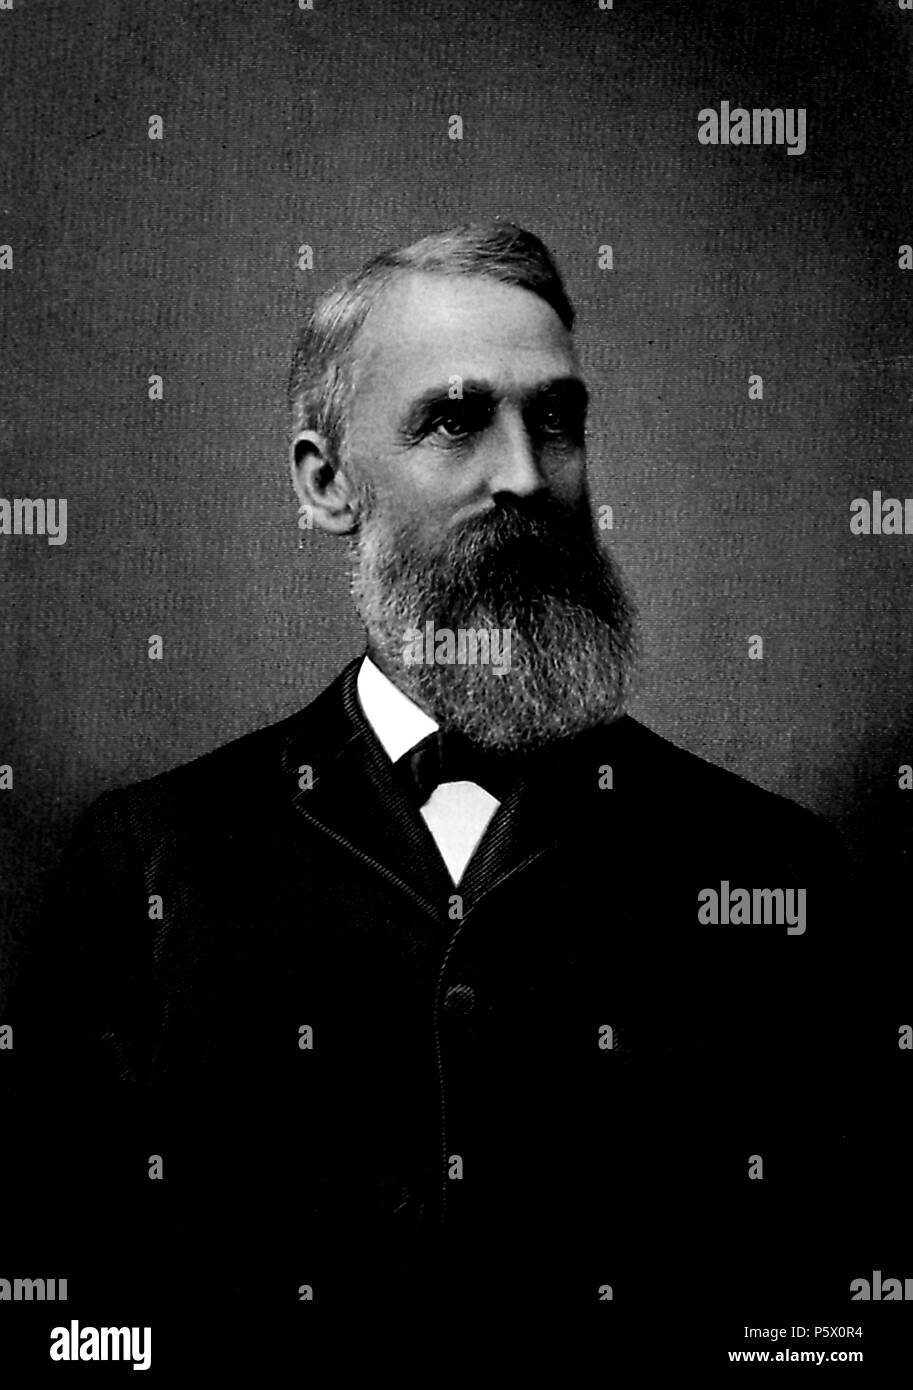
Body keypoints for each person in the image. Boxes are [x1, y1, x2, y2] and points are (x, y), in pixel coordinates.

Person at [8, 223, 857, 1330]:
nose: (523, 476)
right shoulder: (143, 862)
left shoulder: (774, 872)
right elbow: (62, 1304)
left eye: (554, 420)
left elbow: (832, 1312)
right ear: (325, 483)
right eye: (456, 421)